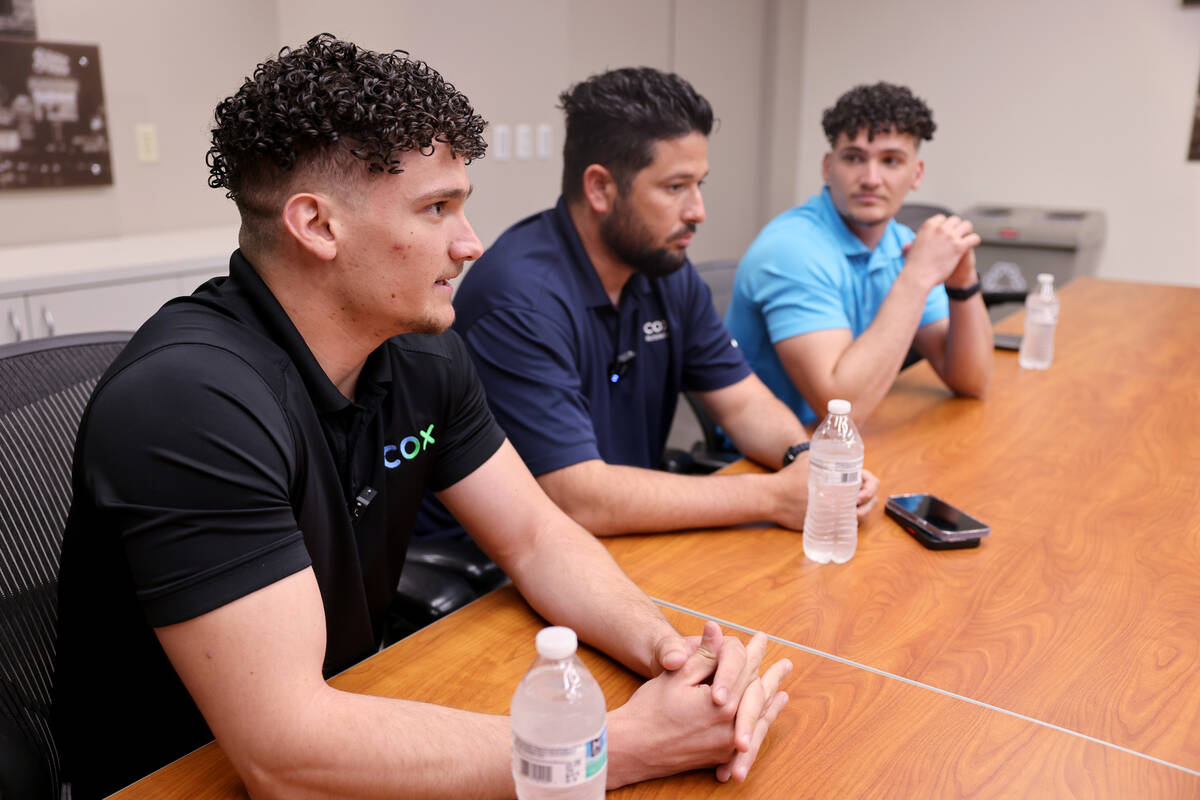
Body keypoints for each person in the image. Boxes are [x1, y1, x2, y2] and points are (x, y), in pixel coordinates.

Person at [51, 35, 791, 799]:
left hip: (354, 716)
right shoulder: (187, 403)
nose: (470, 244)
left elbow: (538, 539)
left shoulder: (420, 354)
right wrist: (622, 745)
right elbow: (283, 756)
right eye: (437, 208)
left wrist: (672, 658)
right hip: (183, 777)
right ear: (317, 226)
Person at [426, 67, 878, 540]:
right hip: (495, 576)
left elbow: (742, 403)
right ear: (600, 188)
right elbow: (577, 497)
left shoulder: (665, 269)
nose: (697, 210)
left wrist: (808, 462)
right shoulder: (519, 301)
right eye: (675, 187)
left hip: (629, 534)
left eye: (699, 184)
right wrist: (774, 497)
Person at [725, 82, 993, 427]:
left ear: (917, 174)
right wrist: (918, 277)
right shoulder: (791, 251)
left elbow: (973, 381)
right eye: (853, 158)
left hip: (850, 447)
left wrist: (963, 283)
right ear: (827, 166)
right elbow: (840, 409)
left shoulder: (902, 243)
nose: (871, 178)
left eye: (891, 161)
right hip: (770, 459)